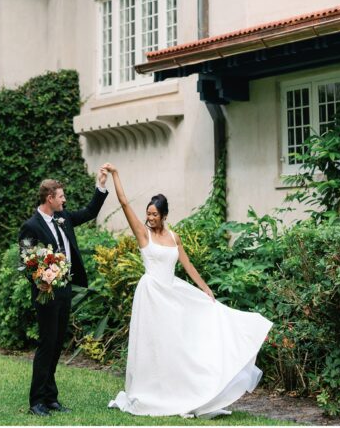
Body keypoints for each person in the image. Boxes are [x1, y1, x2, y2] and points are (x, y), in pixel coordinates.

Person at [104, 163, 272, 418]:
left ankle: (189, 391)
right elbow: (125, 203)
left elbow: (187, 264)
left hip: (173, 293)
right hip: (152, 295)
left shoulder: (173, 237)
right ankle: (156, 392)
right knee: (156, 346)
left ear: (164, 215)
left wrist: (205, 288)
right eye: (147, 213)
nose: (149, 218)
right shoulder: (143, 234)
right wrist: (116, 175)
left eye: (154, 214)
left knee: (184, 341)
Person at [18, 170, 109, 416]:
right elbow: (26, 258)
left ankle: (50, 397)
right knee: (47, 344)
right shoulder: (31, 226)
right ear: (49, 198)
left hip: (65, 289)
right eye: (61, 196)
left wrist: (100, 186)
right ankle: (36, 400)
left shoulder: (63, 218)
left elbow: (89, 212)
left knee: (58, 344)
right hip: (45, 293)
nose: (64, 200)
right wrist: (38, 280)